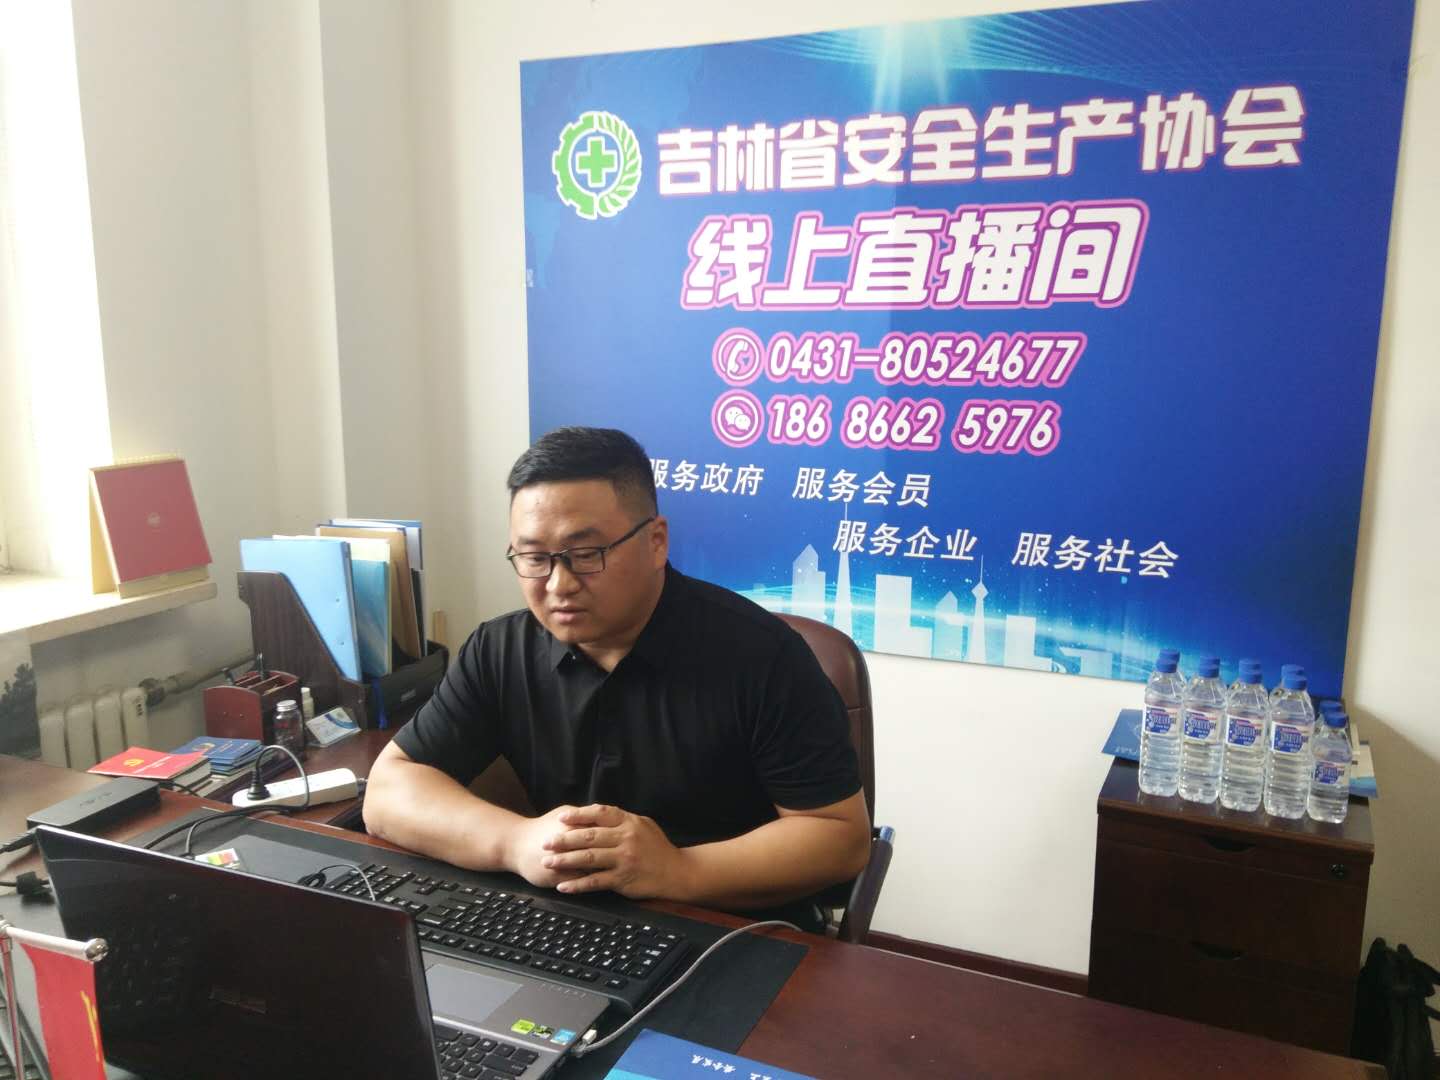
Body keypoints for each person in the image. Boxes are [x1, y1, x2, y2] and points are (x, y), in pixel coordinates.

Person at [363, 427, 870, 925]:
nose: (558, 585)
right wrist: (515, 842)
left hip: (727, 925)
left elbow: (838, 837)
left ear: (656, 541)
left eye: (586, 555)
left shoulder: (763, 657)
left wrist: (678, 870)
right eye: (534, 558)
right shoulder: (499, 650)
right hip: (566, 918)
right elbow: (389, 791)